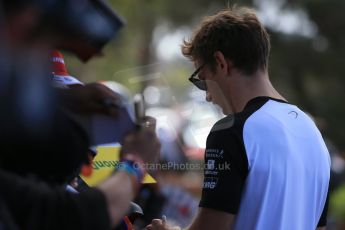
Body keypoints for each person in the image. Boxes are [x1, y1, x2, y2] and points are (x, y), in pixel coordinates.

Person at [147, 6, 330, 230]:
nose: (207, 96)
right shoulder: (312, 133)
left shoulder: (231, 131)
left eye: (202, 79)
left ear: (221, 63)